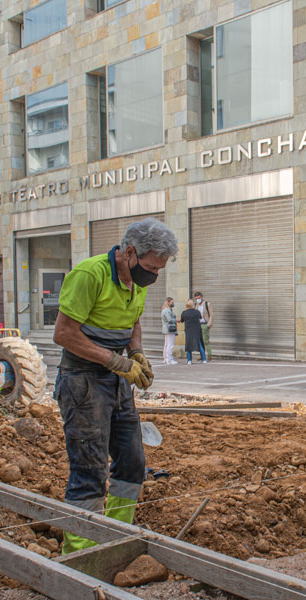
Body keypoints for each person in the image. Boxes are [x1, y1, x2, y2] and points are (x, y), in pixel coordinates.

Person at [52, 218, 178, 553]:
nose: (154, 276)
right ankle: (80, 552)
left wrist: (135, 352)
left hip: (116, 379)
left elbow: (133, 319)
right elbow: (63, 334)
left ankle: (115, 534)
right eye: (151, 267)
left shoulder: (137, 283)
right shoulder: (89, 275)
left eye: (159, 270)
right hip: (82, 380)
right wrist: (116, 361)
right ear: (131, 253)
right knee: (89, 469)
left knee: (133, 462)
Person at [179, 299, 206, 364]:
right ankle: (204, 359)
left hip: (188, 331)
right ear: (193, 304)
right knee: (199, 344)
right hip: (197, 330)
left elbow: (182, 320)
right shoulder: (197, 312)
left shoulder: (184, 312)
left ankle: (189, 360)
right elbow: (200, 317)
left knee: (188, 345)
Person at [193, 291, 213, 361]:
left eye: (198, 298)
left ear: (202, 297)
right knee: (200, 341)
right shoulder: (195, 305)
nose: (197, 299)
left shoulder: (207, 304)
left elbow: (211, 315)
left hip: (205, 324)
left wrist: (208, 324)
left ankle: (209, 356)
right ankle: (202, 355)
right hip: (198, 325)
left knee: (206, 341)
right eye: (196, 298)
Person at [161, 297, 179, 365]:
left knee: (166, 344)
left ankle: (166, 358)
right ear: (168, 302)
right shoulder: (167, 310)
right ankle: (169, 359)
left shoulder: (166, 310)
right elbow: (169, 319)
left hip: (167, 329)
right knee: (170, 345)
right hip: (170, 329)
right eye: (172, 302)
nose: (173, 303)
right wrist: (177, 320)